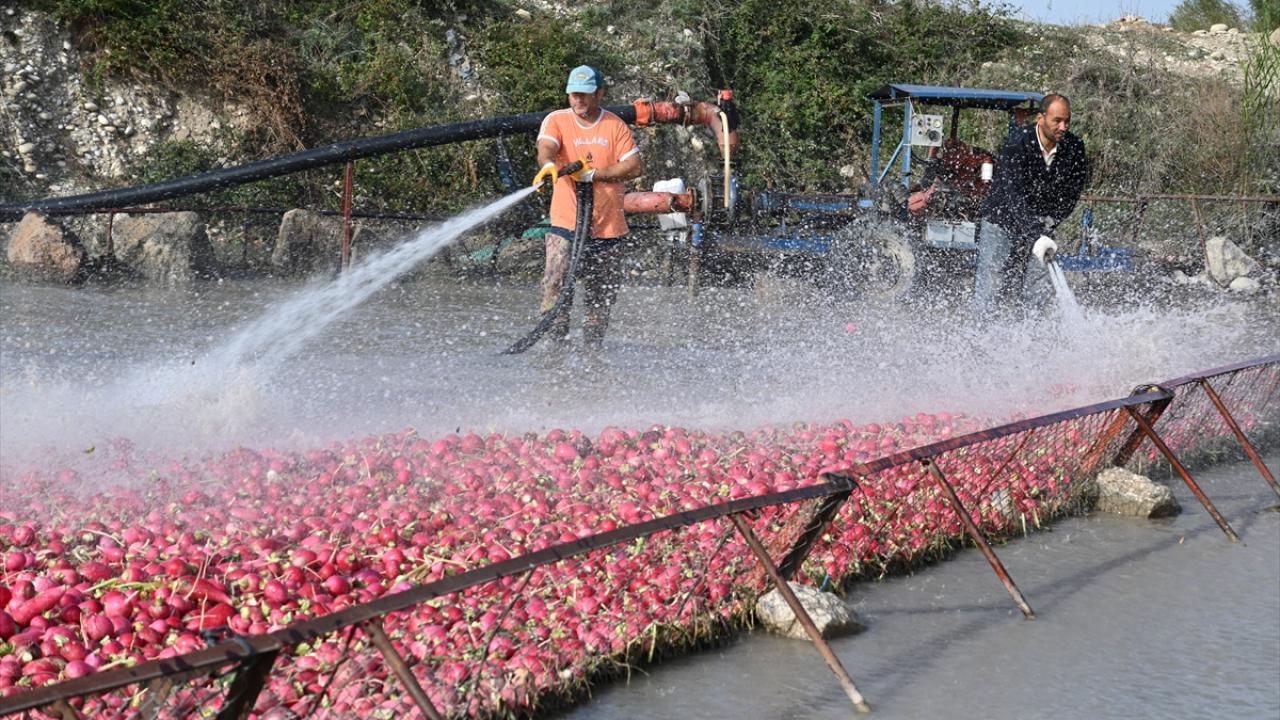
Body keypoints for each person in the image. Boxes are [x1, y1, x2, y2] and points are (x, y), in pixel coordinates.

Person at [530, 65, 643, 347]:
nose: (578, 100)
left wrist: (595, 175)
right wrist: (547, 165)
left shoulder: (614, 125)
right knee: (555, 286)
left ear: (599, 94)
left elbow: (634, 166)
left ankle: (594, 361)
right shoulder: (556, 120)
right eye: (573, 95)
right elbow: (546, 147)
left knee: (600, 298)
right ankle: (554, 354)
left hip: (608, 229)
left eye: (584, 95)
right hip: (566, 225)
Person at [971, 93, 1088, 318]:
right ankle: (978, 340)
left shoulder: (1074, 148)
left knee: (1038, 287)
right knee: (992, 285)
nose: (1063, 127)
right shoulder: (1016, 144)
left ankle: (1029, 342)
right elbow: (1012, 195)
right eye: (1057, 121)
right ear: (1040, 118)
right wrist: (1034, 231)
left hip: (1041, 224)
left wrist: (1051, 221)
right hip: (1002, 220)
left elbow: (1072, 192)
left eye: (1067, 121)